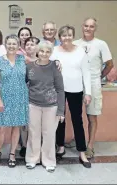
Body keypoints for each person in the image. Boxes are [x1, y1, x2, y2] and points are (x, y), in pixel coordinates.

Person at [50, 25, 92, 168]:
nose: (66, 38)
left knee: (77, 120)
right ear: (59, 37)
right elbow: (49, 68)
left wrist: (88, 93)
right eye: (63, 35)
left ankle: (82, 152)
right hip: (59, 90)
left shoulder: (80, 51)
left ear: (73, 36)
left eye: (69, 35)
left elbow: (87, 73)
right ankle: (60, 146)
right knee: (60, 119)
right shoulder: (54, 51)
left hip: (76, 89)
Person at [73, 17, 114, 159]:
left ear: (95, 28)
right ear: (82, 26)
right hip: (77, 83)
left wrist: (99, 77)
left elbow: (109, 64)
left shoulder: (101, 44)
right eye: (86, 26)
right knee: (76, 115)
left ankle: (90, 146)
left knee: (92, 116)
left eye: (91, 26)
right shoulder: (75, 44)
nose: (88, 29)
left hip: (94, 82)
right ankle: (79, 142)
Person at [25, 41, 65, 173]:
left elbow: (60, 89)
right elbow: (25, 84)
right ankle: (32, 159)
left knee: (49, 134)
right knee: (33, 132)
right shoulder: (29, 66)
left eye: (47, 51)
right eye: (42, 51)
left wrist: (61, 110)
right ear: (38, 51)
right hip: (33, 104)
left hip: (51, 106)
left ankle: (48, 160)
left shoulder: (55, 66)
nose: (44, 54)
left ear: (51, 53)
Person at [0, 34, 29, 168]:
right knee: (2, 128)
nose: (12, 46)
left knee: (16, 127)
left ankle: (12, 154)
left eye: (15, 44)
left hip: (20, 97)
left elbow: (41, 60)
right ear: (5, 45)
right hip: (4, 98)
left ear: (19, 46)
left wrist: (56, 62)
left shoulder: (23, 59)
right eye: (9, 43)